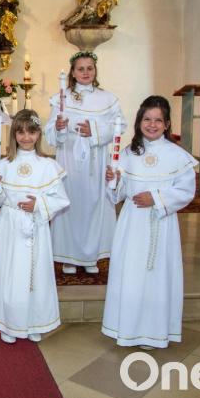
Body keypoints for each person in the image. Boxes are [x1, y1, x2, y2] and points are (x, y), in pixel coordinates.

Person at [102, 96, 197, 349]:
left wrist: (155, 198)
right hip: (132, 225)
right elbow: (116, 194)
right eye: (147, 120)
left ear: (167, 124)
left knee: (156, 276)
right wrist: (113, 180)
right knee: (130, 274)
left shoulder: (177, 156)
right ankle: (127, 328)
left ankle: (153, 332)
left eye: (158, 120)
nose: (152, 125)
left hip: (160, 226)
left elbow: (186, 191)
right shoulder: (127, 154)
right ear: (139, 122)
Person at [0, 110, 70, 344]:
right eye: (21, 132)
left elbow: (61, 199)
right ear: (13, 134)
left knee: (34, 275)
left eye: (32, 131)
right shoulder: (3, 164)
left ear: (39, 133)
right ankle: (9, 322)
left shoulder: (48, 165)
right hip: (10, 225)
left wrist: (38, 204)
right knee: (9, 273)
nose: (26, 137)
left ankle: (33, 321)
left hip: (35, 225)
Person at [45, 51, 124, 275]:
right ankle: (69, 256)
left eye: (90, 68)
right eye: (81, 69)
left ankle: (91, 256)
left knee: (93, 203)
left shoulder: (107, 98)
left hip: (95, 161)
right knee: (71, 203)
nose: (86, 72)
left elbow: (120, 125)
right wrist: (59, 128)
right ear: (73, 72)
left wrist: (96, 131)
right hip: (69, 159)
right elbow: (50, 132)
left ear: (95, 70)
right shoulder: (61, 98)